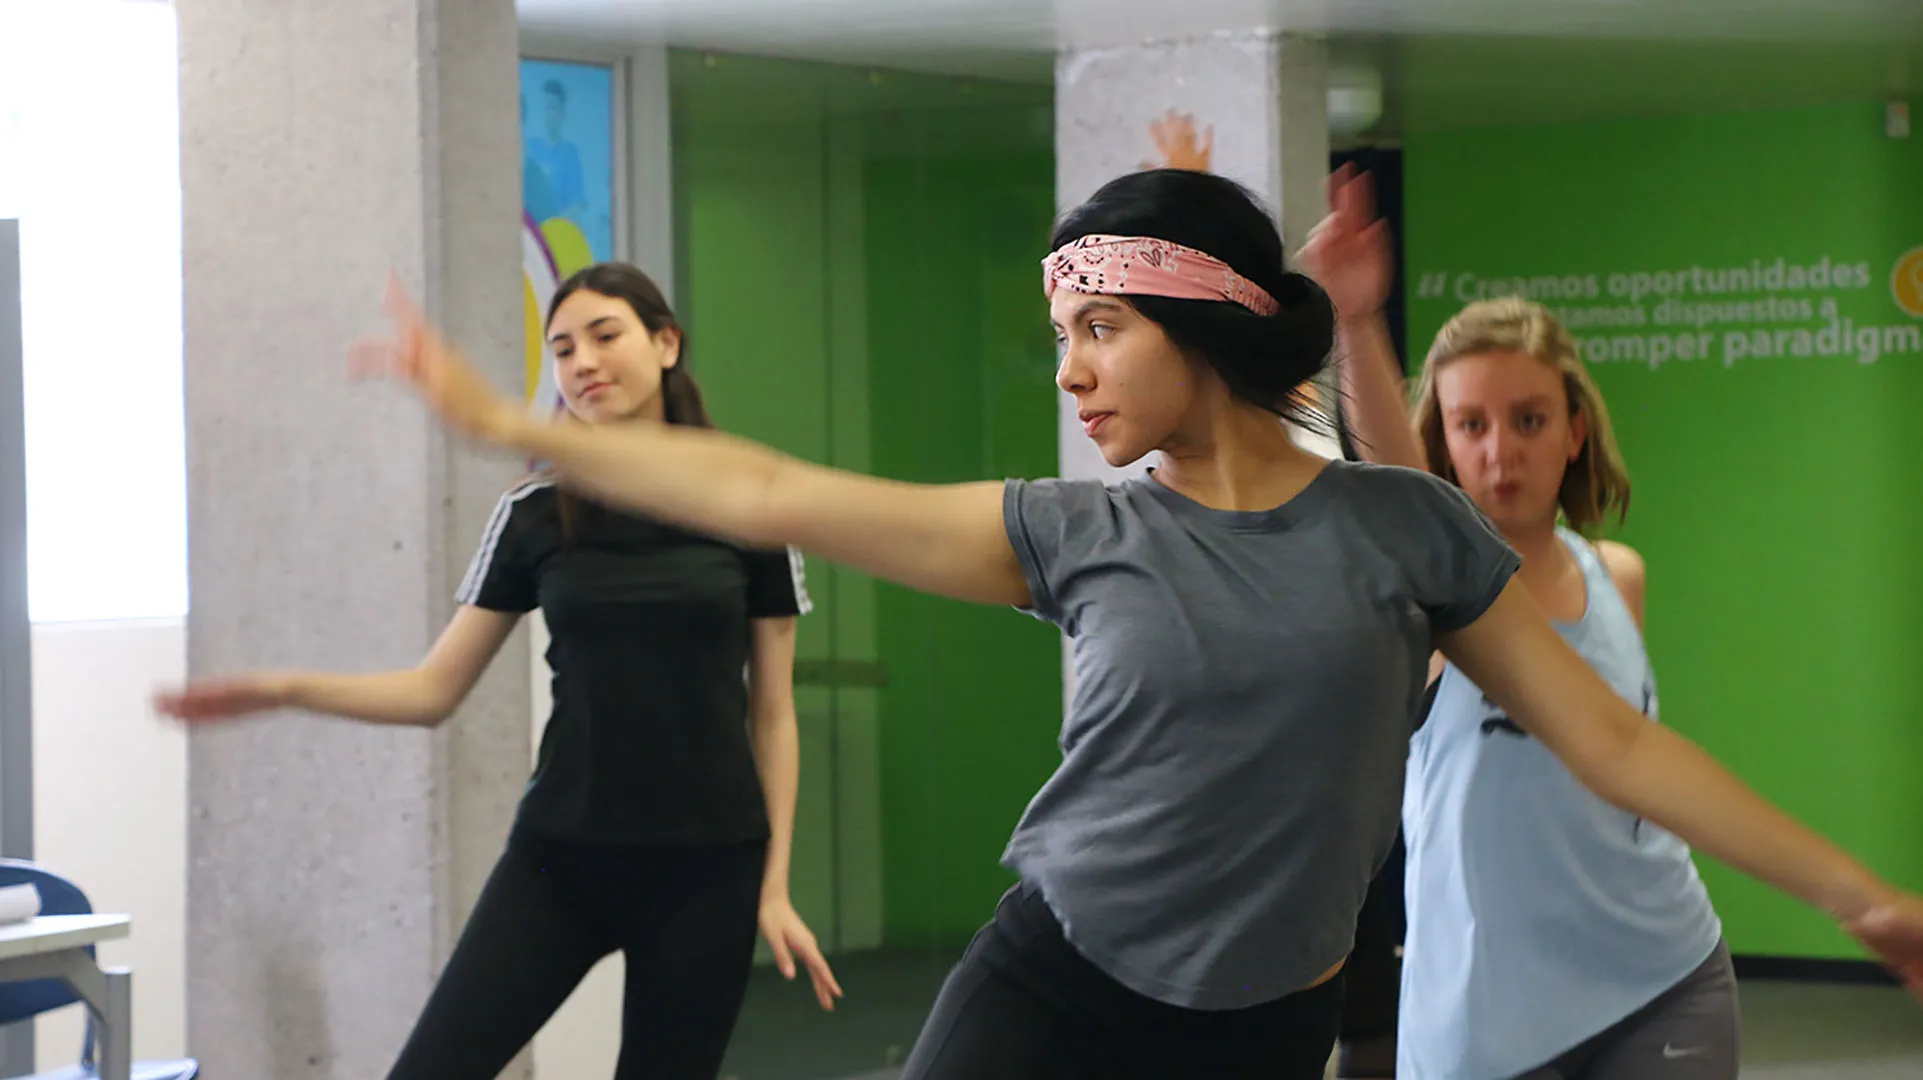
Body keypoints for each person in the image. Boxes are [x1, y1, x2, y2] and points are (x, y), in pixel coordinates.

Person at [356, 168, 1923, 1080]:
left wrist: (1853, 894)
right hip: (1051, 979)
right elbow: (765, 486)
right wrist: (519, 419)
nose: (1069, 372)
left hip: (1263, 1025)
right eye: (1062, 336)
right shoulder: (1072, 531)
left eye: (1098, 329)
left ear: (1202, 328)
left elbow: (1613, 748)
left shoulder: (1404, 529)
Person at [154, 263, 842, 1080]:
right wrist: (284, 689)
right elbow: (430, 692)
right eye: (561, 348)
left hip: (709, 871)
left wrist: (772, 886)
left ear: (665, 344)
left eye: (604, 335)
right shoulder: (533, 514)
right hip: (562, 861)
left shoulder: (748, 507)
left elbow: (772, 713)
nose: (582, 361)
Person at [1302, 165, 1738, 1079]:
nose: (1500, 452)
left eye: (1529, 419)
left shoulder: (1616, 575)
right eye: (1470, 426)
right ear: (1443, 442)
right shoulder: (1430, 602)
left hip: (1660, 975)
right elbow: (1393, 479)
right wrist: (1354, 320)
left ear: (1573, 430)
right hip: (1483, 1018)